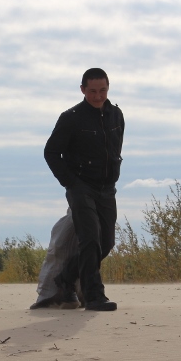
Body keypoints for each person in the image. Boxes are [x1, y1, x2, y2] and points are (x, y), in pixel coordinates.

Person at [43, 68, 124, 311]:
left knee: (106, 242)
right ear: (82, 90)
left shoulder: (116, 115)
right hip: (81, 187)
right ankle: (94, 296)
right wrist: (70, 182)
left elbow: (114, 150)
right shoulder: (71, 117)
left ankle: (65, 279)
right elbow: (50, 152)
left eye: (102, 90)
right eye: (92, 91)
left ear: (108, 88)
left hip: (107, 188)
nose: (98, 96)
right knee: (89, 239)